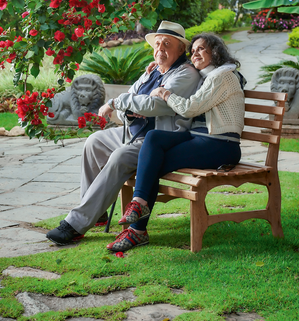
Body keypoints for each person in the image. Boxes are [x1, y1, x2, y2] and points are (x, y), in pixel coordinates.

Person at [46, 21, 201, 246]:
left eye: (167, 44)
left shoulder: (186, 74)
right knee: (94, 142)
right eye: (157, 44)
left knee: (119, 157)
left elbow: (154, 105)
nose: (160, 49)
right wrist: (129, 108)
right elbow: (134, 94)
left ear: (180, 50)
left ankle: (76, 224)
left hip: (159, 141)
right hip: (134, 133)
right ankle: (95, 212)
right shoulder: (154, 71)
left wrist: (118, 102)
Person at [106, 33, 245, 252]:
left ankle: (137, 230)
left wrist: (165, 93)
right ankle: (139, 207)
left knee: (155, 162)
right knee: (154, 138)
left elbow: (191, 108)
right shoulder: (207, 75)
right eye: (193, 50)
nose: (195, 53)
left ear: (215, 52)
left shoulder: (223, 76)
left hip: (221, 144)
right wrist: (151, 71)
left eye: (201, 49)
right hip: (200, 138)